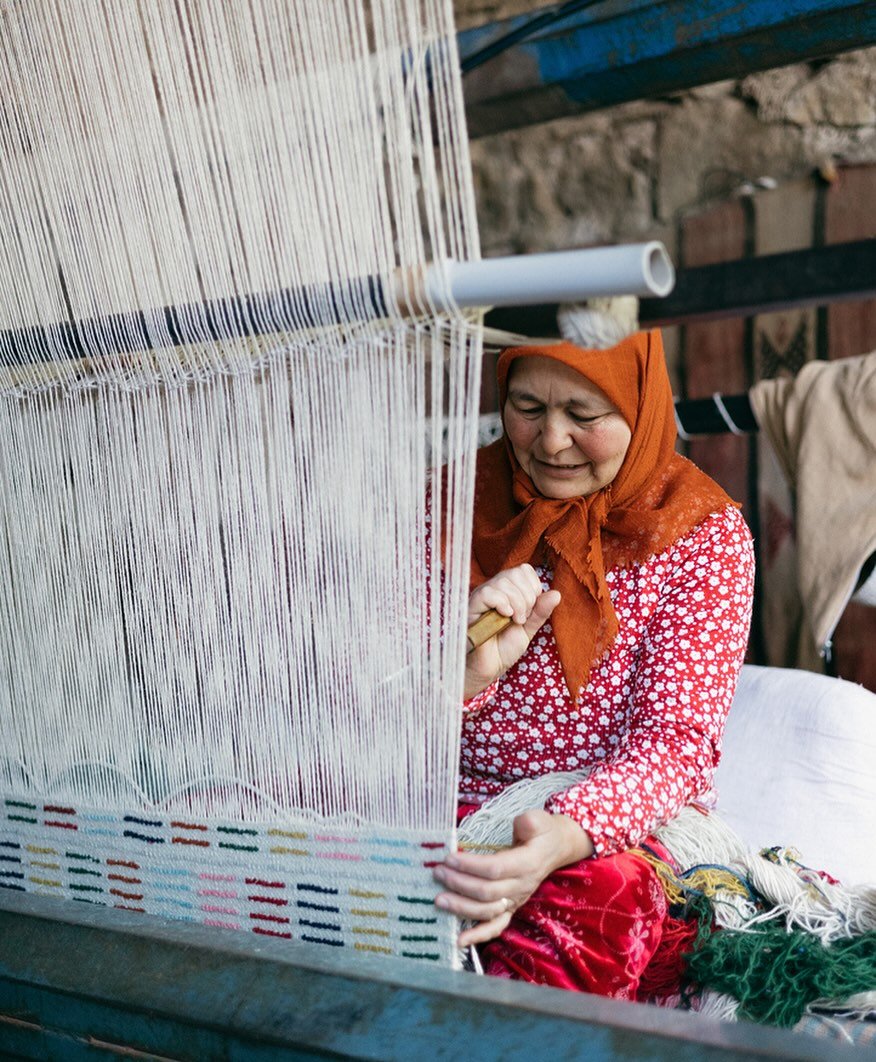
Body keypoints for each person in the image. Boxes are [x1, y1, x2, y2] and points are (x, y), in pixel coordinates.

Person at [433, 331, 754, 999]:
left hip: (613, 824)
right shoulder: (453, 502)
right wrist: (465, 674)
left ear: (642, 409)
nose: (551, 442)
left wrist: (563, 835)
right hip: (442, 796)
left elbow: (674, 746)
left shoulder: (701, 534)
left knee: (603, 900)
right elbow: (364, 705)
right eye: (527, 406)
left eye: (585, 416)